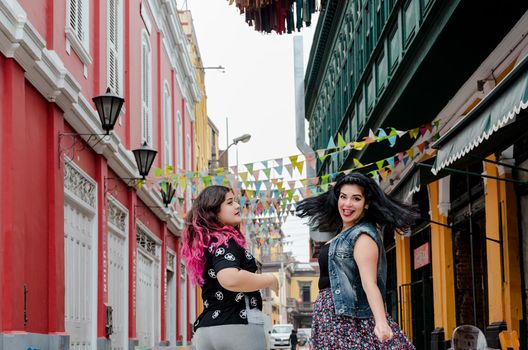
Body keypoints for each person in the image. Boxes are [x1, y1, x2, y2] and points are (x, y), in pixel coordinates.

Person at [296, 172, 418, 349]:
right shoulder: (343, 234)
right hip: (330, 318)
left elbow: (370, 284)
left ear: (366, 203)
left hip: (347, 321)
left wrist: (381, 322)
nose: (347, 204)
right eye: (343, 197)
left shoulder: (363, 237)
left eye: (356, 198)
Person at [182, 185, 279, 350]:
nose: (237, 206)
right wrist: (270, 280)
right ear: (213, 210)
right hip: (237, 326)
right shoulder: (226, 240)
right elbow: (230, 278)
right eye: (230, 202)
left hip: (207, 328)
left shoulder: (206, 244)